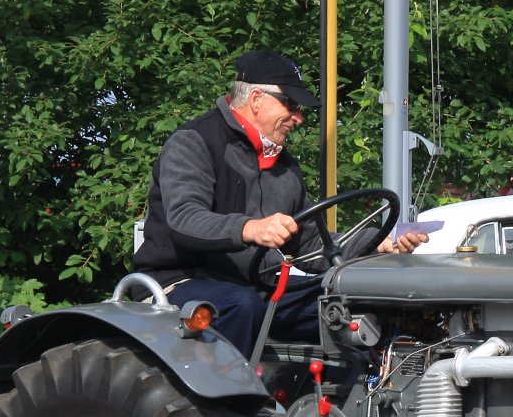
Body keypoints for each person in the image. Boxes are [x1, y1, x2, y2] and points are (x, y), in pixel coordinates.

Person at [131, 50, 426, 357]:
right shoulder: (194, 141)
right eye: (291, 104)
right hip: (180, 282)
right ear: (256, 98)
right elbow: (184, 217)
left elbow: (310, 244)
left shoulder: (285, 167)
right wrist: (250, 228)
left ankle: (369, 384)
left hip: (255, 288)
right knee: (242, 305)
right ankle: (227, 389)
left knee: (346, 303)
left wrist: (377, 244)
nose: (298, 118)